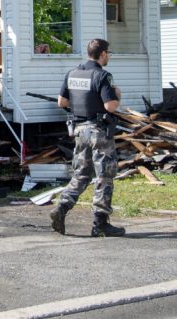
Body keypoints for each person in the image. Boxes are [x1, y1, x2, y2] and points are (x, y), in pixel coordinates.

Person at [50, 38, 126, 237]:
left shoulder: (72, 73)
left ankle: (62, 207)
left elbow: (62, 102)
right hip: (98, 131)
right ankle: (100, 223)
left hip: (79, 130)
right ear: (102, 54)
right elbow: (110, 106)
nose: (108, 56)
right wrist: (117, 94)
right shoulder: (102, 75)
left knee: (81, 174)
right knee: (104, 175)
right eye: (108, 52)